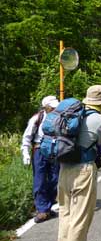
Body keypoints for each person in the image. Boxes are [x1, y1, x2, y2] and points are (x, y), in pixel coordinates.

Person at [58, 85, 101, 241]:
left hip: (64, 167)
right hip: (83, 169)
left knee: (65, 213)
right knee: (80, 218)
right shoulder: (100, 120)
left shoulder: (71, 115)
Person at [21, 95, 60, 223]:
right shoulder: (37, 118)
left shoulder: (59, 117)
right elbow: (27, 136)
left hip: (55, 150)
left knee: (55, 179)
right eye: (52, 106)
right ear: (46, 107)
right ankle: (42, 210)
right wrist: (25, 153)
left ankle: (46, 207)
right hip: (39, 150)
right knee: (40, 180)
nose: (55, 108)